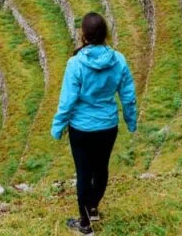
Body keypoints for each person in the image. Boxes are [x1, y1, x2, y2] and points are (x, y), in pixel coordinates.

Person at [51, 12, 137, 235]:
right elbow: (127, 95)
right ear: (106, 33)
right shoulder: (119, 60)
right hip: (107, 126)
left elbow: (67, 100)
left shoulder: (76, 63)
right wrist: (130, 120)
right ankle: (94, 208)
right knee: (101, 170)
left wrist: (58, 126)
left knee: (83, 174)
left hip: (81, 129)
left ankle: (85, 225)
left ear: (83, 35)